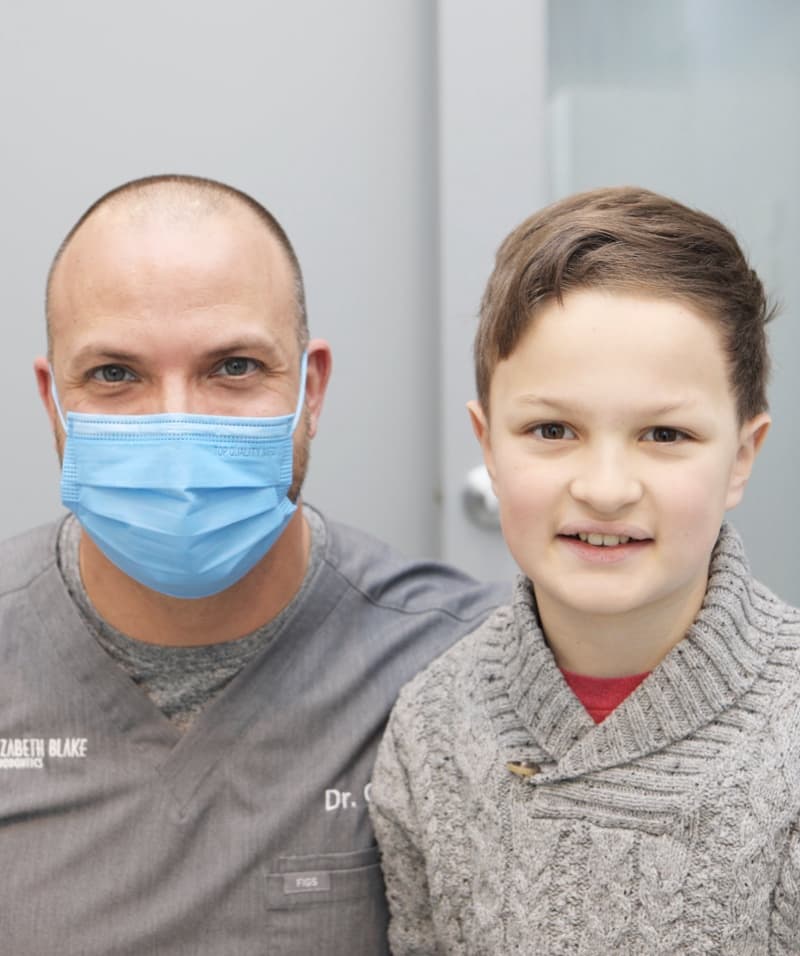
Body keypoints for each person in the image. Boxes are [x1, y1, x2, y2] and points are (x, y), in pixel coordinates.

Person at [0, 174, 503, 956]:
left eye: (232, 368)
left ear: (312, 389)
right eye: (115, 375)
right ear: (51, 400)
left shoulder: (461, 664)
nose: (176, 426)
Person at [370, 186, 800, 953]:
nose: (605, 488)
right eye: (552, 429)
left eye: (664, 434)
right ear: (488, 445)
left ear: (741, 457)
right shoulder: (432, 727)